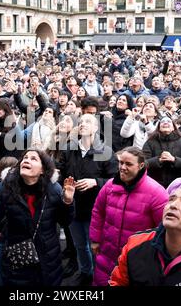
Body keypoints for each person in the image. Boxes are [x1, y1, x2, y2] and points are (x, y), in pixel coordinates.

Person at [0, 149, 76, 286]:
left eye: (33, 159)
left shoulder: (54, 189)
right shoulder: (7, 186)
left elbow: (65, 221)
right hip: (18, 258)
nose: (26, 160)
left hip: (47, 260)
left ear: (43, 170)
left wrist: (68, 202)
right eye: (25, 158)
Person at [89, 147, 168, 286]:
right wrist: (95, 239)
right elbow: (98, 211)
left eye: (129, 164)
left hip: (137, 260)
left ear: (141, 165)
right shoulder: (109, 186)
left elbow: (164, 229)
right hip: (107, 255)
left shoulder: (156, 193)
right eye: (121, 162)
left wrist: (153, 256)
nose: (122, 167)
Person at [56, 114, 118, 285]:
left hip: (96, 209)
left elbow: (116, 181)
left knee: (96, 246)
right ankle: (85, 272)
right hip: (73, 207)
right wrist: (62, 184)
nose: (82, 124)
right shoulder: (69, 149)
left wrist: (95, 182)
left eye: (88, 122)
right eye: (80, 122)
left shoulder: (105, 152)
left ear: (96, 128)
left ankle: (99, 277)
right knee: (79, 245)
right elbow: (60, 172)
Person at [142, 116, 181, 188]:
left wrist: (174, 160)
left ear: (173, 127)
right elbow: (143, 163)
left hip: (177, 185)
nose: (165, 122)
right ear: (159, 127)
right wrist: (158, 160)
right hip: (155, 185)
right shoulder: (150, 142)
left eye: (168, 121)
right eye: (162, 122)